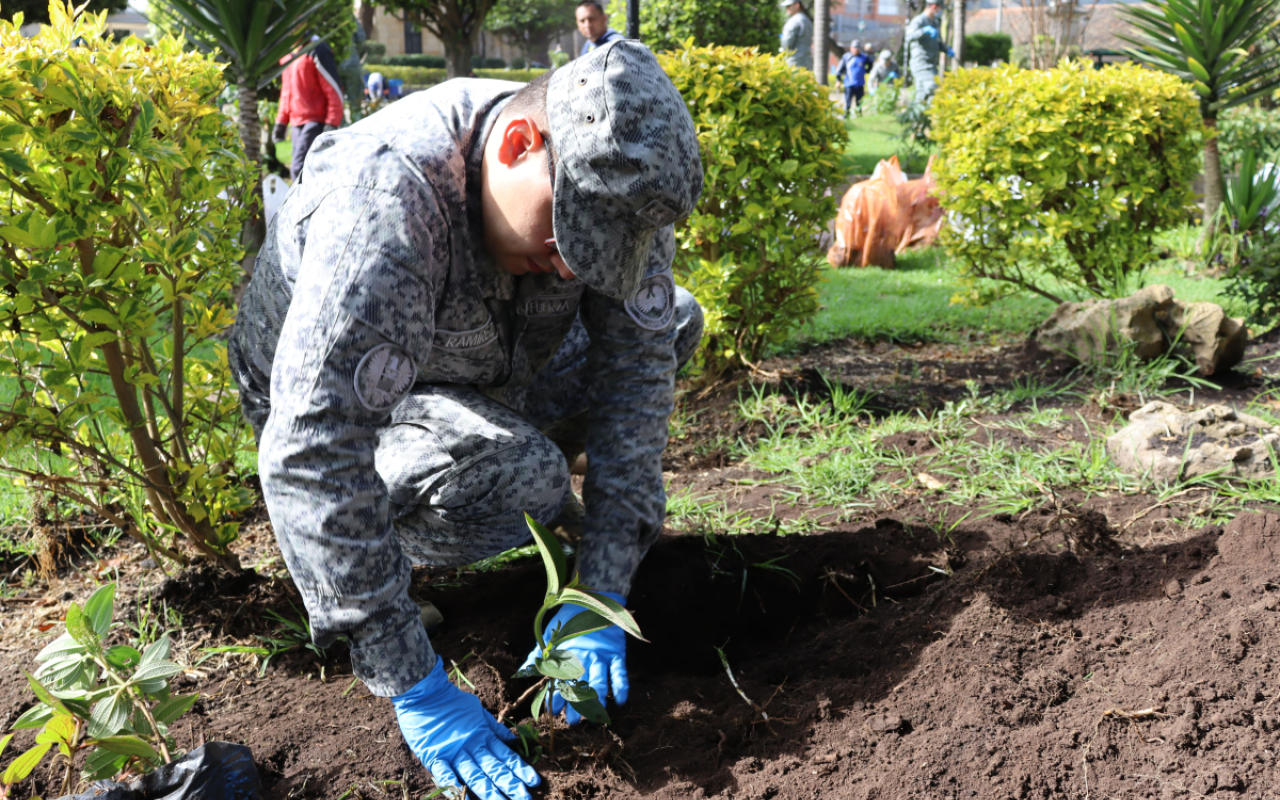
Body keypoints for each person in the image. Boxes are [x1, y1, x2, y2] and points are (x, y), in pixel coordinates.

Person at [229, 40, 704, 800]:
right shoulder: (385, 204)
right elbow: (310, 447)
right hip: (350, 408)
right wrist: (411, 680)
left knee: (668, 324)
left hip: (480, 366)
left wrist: (603, 587)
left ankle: (503, 466)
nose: (575, 266)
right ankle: (385, 543)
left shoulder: (615, 184)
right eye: (568, 235)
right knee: (525, 477)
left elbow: (636, 386)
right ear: (520, 144)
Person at [273, 37, 345, 181]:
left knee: (298, 168)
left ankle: (300, 202)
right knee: (307, 170)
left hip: (315, 122)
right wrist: (281, 122)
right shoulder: (287, 55)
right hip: (296, 124)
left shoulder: (317, 50)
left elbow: (333, 89)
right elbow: (286, 92)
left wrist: (332, 122)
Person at [904, 1, 954, 107]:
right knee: (933, 87)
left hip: (931, 63)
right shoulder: (919, 21)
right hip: (921, 63)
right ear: (934, 6)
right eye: (940, 8)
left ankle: (917, 119)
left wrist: (946, 49)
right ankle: (932, 117)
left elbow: (938, 41)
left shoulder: (935, 23)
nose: (940, 11)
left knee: (922, 94)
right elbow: (909, 37)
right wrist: (923, 31)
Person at [339, 17, 368, 123]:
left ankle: (339, 125)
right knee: (355, 101)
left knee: (337, 99)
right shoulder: (350, 18)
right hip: (352, 63)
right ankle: (357, 124)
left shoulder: (327, 17)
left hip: (335, 64)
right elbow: (361, 39)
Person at [834, 40, 873, 118]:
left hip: (860, 83)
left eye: (858, 47)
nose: (856, 49)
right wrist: (838, 80)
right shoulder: (846, 57)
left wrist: (865, 71)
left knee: (859, 102)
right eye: (855, 47)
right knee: (848, 102)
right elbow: (839, 70)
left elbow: (871, 64)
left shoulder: (864, 57)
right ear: (851, 48)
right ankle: (846, 115)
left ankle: (859, 116)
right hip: (849, 84)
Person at [780, 0, 814, 71]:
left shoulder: (793, 21)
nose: (787, 8)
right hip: (807, 62)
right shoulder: (807, 20)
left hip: (794, 63)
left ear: (797, 5)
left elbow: (786, 44)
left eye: (789, 6)